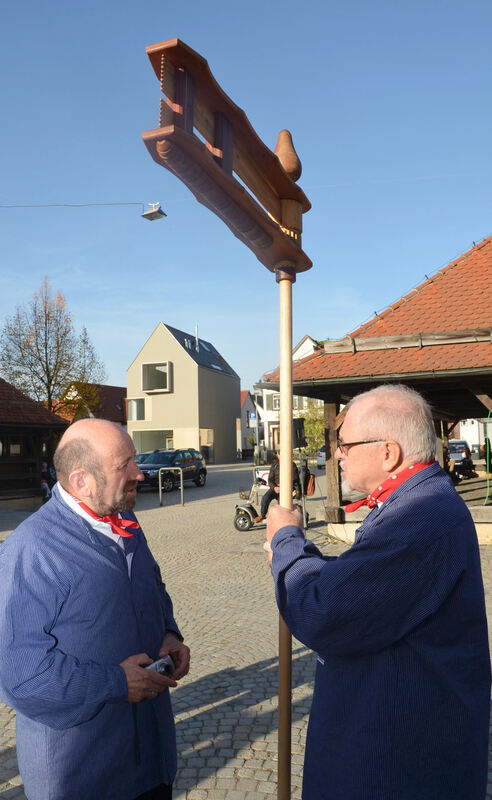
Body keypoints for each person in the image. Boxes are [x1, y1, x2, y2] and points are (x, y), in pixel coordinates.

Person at [263, 384, 491, 800]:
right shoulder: (417, 502)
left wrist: (287, 541)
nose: (337, 454)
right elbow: (366, 586)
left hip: (396, 767)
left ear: (388, 452)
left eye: (346, 443)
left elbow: (325, 609)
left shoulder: (420, 517)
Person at [0, 419, 190, 800]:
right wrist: (118, 683)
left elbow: (152, 584)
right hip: (82, 775)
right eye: (125, 465)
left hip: (151, 761)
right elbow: (19, 676)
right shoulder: (32, 550)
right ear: (82, 481)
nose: (139, 473)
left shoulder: (126, 519)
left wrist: (169, 632)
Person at [254, 453, 301, 523]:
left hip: (287, 488)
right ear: (278, 455)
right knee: (265, 498)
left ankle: (285, 519)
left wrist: (284, 485)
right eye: (279, 454)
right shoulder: (274, 465)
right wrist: (275, 487)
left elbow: (295, 478)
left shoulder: (292, 464)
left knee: (282, 504)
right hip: (275, 488)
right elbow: (270, 479)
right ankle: (262, 515)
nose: (281, 455)